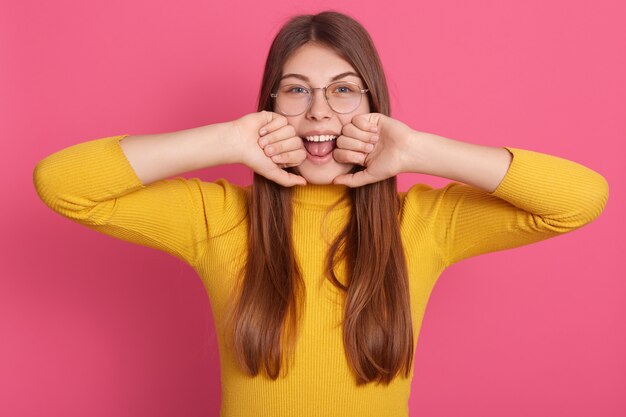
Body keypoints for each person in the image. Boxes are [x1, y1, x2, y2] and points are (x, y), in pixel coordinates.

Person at [33, 10, 608, 417]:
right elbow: (62, 184)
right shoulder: (217, 216)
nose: (319, 113)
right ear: (270, 108)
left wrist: (420, 151)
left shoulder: (425, 224)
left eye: (343, 90)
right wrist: (228, 140)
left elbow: (579, 199)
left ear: (374, 107)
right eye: (296, 90)